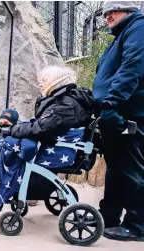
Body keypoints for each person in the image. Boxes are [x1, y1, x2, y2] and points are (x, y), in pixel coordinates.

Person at [92, 1, 144, 241]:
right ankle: (109, 215)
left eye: (112, 11)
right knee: (116, 169)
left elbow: (131, 68)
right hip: (115, 114)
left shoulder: (139, 28)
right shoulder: (123, 34)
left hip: (129, 114)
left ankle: (137, 225)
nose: (107, 16)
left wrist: (111, 103)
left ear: (128, 10)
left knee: (133, 171)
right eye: (105, 13)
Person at [0, 65, 94, 141]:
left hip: (51, 154)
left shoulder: (64, 104)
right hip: (55, 149)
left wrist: (11, 130)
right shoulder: (67, 100)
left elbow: (40, 128)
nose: (40, 84)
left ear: (56, 81)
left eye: (44, 80)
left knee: (3, 142)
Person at [0, 109, 39, 207]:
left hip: (20, 165)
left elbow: (29, 148)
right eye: (1, 123)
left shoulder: (22, 132)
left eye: (6, 123)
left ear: (14, 123)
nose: (3, 125)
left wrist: (21, 157)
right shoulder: (1, 135)